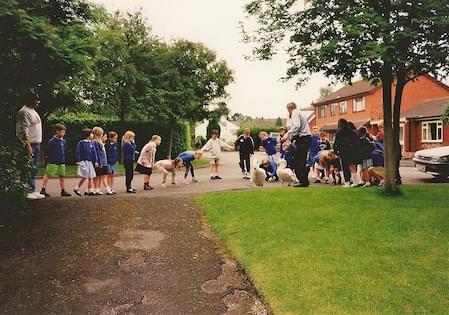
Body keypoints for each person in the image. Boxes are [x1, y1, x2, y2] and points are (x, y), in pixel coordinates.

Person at [16, 92, 45, 199]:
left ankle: (32, 189)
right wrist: (27, 144)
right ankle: (25, 190)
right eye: (36, 100)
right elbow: (23, 130)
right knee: (27, 167)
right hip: (30, 143)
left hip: (36, 143)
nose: (38, 102)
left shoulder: (32, 111)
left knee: (33, 168)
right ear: (30, 100)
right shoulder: (24, 112)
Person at [282, 102, 311, 187]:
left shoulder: (294, 113)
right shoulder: (300, 113)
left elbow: (296, 126)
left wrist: (287, 135)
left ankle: (303, 181)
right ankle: (304, 180)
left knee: (298, 161)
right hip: (305, 138)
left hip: (303, 139)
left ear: (288, 109)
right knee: (301, 160)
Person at [40, 123, 71, 197]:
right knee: (48, 174)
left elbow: (64, 149)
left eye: (64, 132)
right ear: (57, 131)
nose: (64, 133)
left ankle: (63, 190)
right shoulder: (52, 141)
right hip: (53, 162)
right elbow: (48, 150)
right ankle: (43, 189)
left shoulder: (64, 141)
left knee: (62, 175)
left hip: (61, 161)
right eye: (62, 132)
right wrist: (49, 158)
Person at [333, 119, 360, 187]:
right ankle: (355, 182)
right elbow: (357, 142)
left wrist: (336, 152)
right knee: (353, 167)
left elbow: (336, 144)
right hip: (353, 152)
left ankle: (347, 182)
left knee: (345, 168)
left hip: (343, 152)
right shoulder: (353, 132)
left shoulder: (339, 133)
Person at [74, 128, 97, 196]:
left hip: (90, 162)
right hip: (84, 161)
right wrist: (78, 160)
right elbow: (78, 152)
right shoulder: (81, 143)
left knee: (91, 176)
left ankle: (90, 190)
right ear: (88, 135)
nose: (93, 135)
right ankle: (77, 188)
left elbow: (94, 153)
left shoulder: (91, 143)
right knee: (84, 176)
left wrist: (95, 161)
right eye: (91, 134)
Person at [92, 127, 113, 195]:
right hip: (100, 162)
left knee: (99, 176)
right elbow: (97, 153)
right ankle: (107, 189)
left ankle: (97, 189)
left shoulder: (100, 141)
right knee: (103, 176)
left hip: (104, 161)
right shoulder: (95, 142)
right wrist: (98, 162)